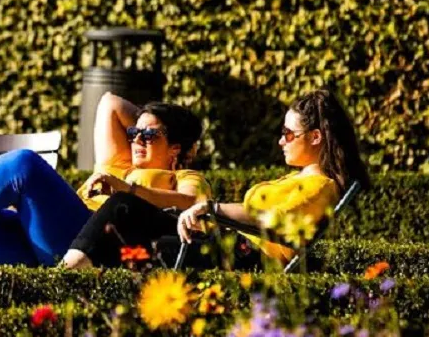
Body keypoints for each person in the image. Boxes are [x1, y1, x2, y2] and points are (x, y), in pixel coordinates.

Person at [0, 92, 210, 267]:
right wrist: (153, 121)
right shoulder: (119, 161)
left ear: (176, 149)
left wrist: (129, 187)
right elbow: (109, 103)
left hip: (90, 243)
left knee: (24, 164)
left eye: (149, 136)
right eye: (134, 133)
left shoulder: (183, 175)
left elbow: (192, 203)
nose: (136, 139)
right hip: (47, 240)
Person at [62, 89, 370, 270]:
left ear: (315, 137)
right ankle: (74, 271)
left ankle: (66, 273)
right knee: (127, 211)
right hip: (226, 243)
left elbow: (274, 219)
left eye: (289, 134)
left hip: (243, 255)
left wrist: (212, 208)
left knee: (124, 210)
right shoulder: (298, 178)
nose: (281, 141)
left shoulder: (320, 186)